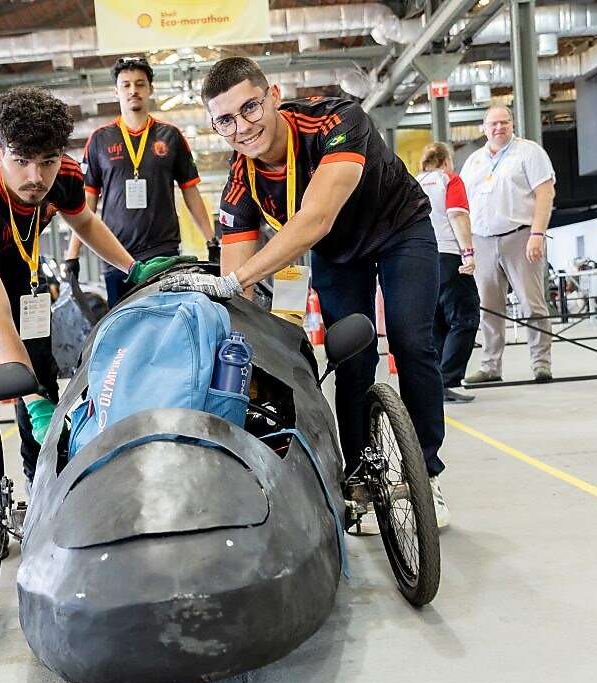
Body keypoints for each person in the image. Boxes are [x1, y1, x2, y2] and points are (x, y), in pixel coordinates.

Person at [160, 57, 450, 527]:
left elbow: (315, 219)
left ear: (273, 95)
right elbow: (240, 290)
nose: (242, 127)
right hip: (338, 255)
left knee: (411, 341)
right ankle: (362, 477)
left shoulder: (336, 121)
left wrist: (234, 280)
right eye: (225, 120)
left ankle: (427, 476)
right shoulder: (240, 181)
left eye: (250, 108)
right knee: (351, 359)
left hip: (400, 230)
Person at [0, 86, 173, 477]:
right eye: (21, 161)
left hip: (12, 259)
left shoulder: (64, 173)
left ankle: (41, 487)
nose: (36, 178)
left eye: (47, 161)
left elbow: (84, 221)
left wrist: (131, 267)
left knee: (39, 372)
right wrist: (30, 399)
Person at [63, 56, 213, 306]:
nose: (134, 90)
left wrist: (211, 239)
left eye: (140, 84)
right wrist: (72, 256)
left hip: (163, 251)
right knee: (120, 330)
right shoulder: (100, 140)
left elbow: (191, 192)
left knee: (163, 324)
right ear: (116, 90)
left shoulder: (171, 136)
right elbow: (85, 203)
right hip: (115, 253)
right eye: (126, 85)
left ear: (151, 89)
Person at [458, 104, 557, 385]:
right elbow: (462, 206)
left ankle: (541, 364)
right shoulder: (474, 161)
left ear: (512, 124)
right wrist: (466, 247)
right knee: (488, 307)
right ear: (483, 129)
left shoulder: (529, 152)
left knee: (532, 304)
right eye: (493, 124)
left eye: (504, 122)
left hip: (520, 236)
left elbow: (545, 193)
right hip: (482, 241)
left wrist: (537, 234)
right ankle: (490, 367)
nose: (499, 128)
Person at [415, 142, 478, 404]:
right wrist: (468, 253)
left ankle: (434, 385)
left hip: (420, 258)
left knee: (437, 322)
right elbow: (457, 215)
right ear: (446, 161)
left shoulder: (414, 181)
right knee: (466, 316)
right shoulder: (449, 180)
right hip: (449, 255)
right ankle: (446, 378)